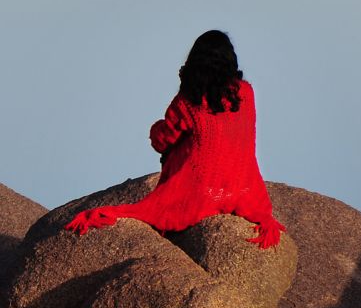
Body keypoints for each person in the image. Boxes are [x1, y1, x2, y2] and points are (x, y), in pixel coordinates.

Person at [65, 30, 285, 248]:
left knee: (182, 144)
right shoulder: (245, 93)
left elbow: (162, 141)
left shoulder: (189, 100)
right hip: (243, 191)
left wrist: (158, 125)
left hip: (200, 196)